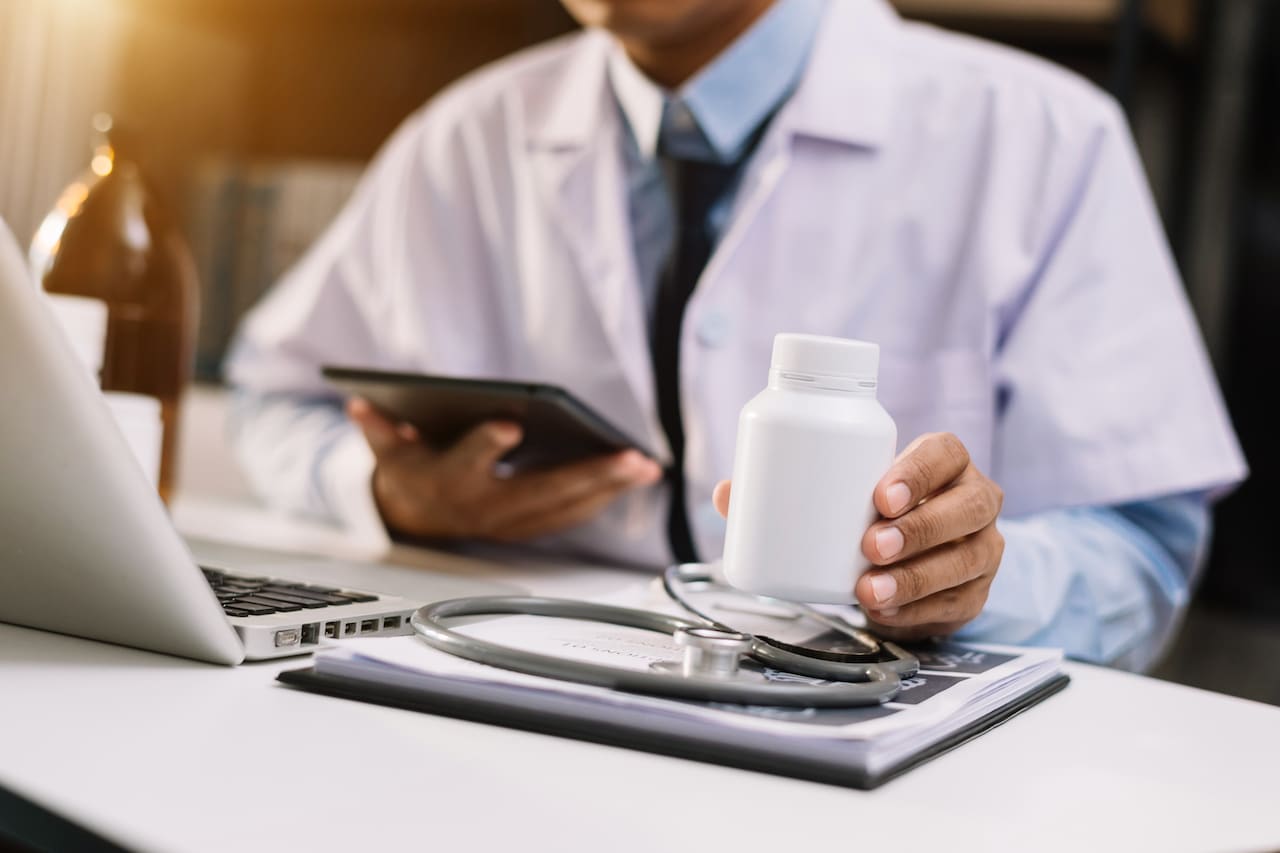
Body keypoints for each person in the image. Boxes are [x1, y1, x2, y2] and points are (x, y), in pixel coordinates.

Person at [225, 0, 1246, 671]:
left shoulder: (1041, 138)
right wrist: (377, 488)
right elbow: (271, 392)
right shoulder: (463, 137)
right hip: (530, 700)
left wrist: (973, 577)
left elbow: (1140, 551)